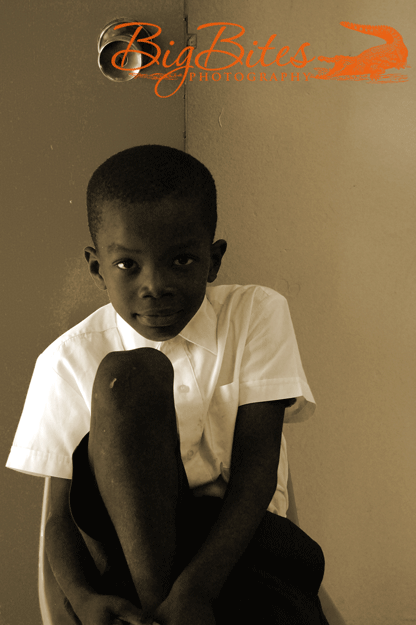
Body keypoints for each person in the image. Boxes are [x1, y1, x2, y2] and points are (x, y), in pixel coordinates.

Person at [6, 145, 329, 625]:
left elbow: (256, 474)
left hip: (241, 555)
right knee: (127, 377)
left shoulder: (256, 313)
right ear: (96, 267)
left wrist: (195, 590)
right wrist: (83, 598)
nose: (155, 285)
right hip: (123, 569)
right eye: (127, 265)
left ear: (213, 261)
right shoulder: (67, 360)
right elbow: (58, 517)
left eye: (181, 260)